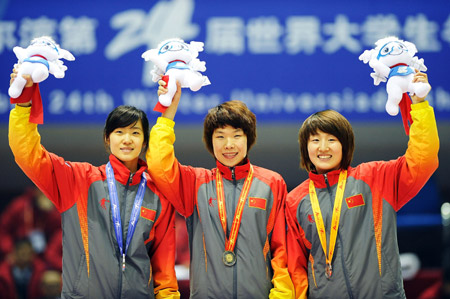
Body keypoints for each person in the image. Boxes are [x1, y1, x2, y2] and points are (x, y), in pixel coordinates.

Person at [8, 68, 180, 298]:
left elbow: (164, 269)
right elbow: (26, 153)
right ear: (107, 139)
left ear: (145, 141)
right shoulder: (79, 179)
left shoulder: (157, 194)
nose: (127, 139)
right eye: (119, 132)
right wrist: (23, 104)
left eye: (135, 133)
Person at [285, 71, 439, 298]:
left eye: (332, 140)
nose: (323, 147)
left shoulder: (374, 178)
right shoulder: (294, 200)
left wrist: (419, 105)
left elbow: (423, 159)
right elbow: (295, 267)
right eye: (315, 140)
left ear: (345, 145)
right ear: (305, 148)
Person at [146, 81, 294, 298]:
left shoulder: (271, 183)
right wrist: (168, 114)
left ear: (248, 139)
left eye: (236, 135)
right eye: (220, 136)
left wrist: (282, 295)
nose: (229, 145)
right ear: (210, 141)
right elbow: (159, 165)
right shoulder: (196, 182)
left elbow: (281, 248)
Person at [0, 186, 61, 262]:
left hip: (41, 259)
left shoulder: (52, 211)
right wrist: (9, 250)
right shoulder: (20, 206)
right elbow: (3, 230)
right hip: (18, 255)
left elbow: (60, 230)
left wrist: (51, 211)